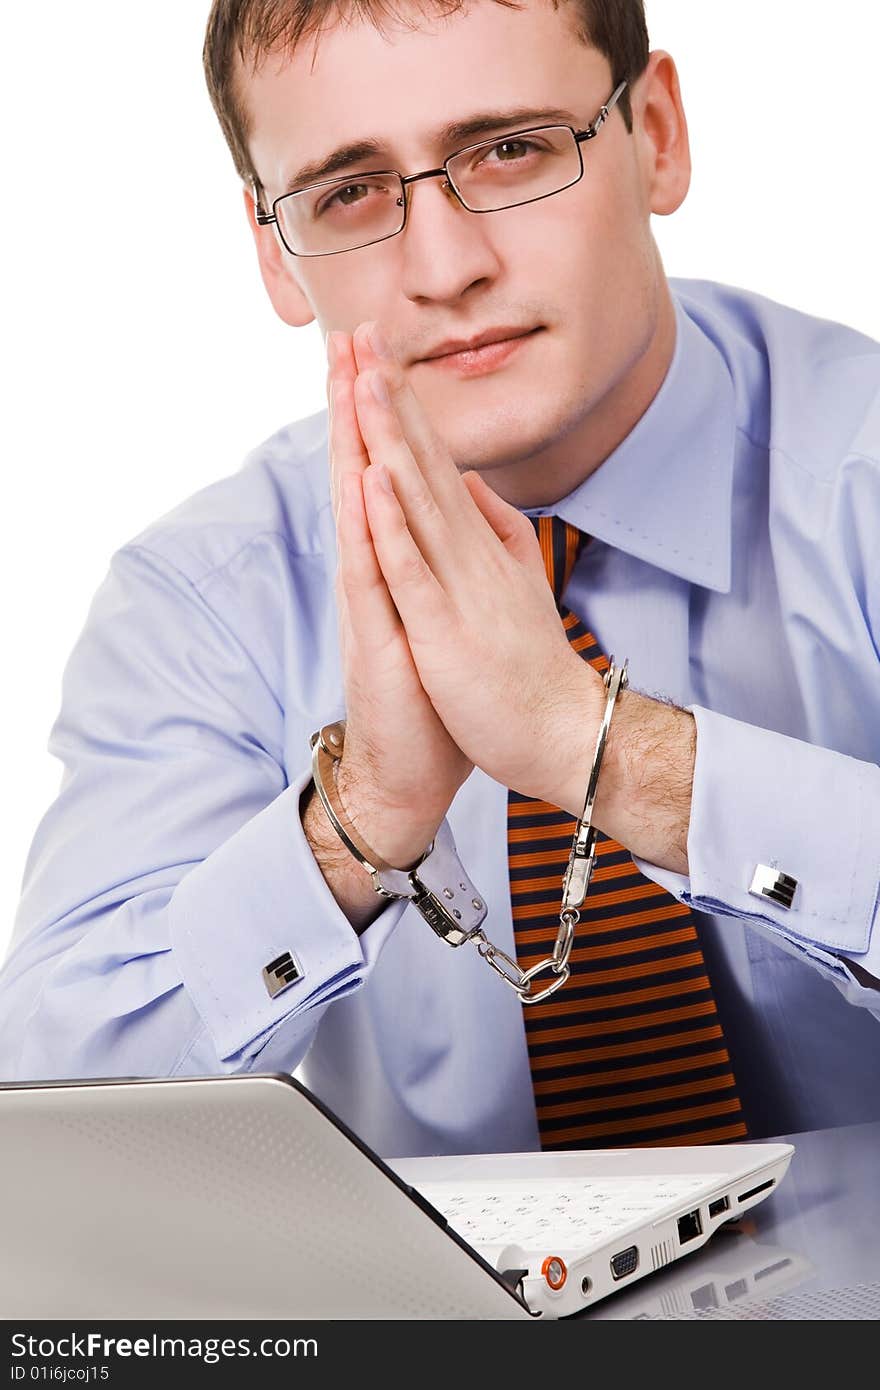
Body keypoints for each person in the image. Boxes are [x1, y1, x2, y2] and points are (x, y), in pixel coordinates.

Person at [1, 0, 879, 1159]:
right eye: (349, 192)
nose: (447, 266)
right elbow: (52, 1134)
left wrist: (599, 748)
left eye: (510, 150)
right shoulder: (208, 598)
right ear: (274, 249)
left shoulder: (855, 472)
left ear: (655, 134)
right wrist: (358, 817)